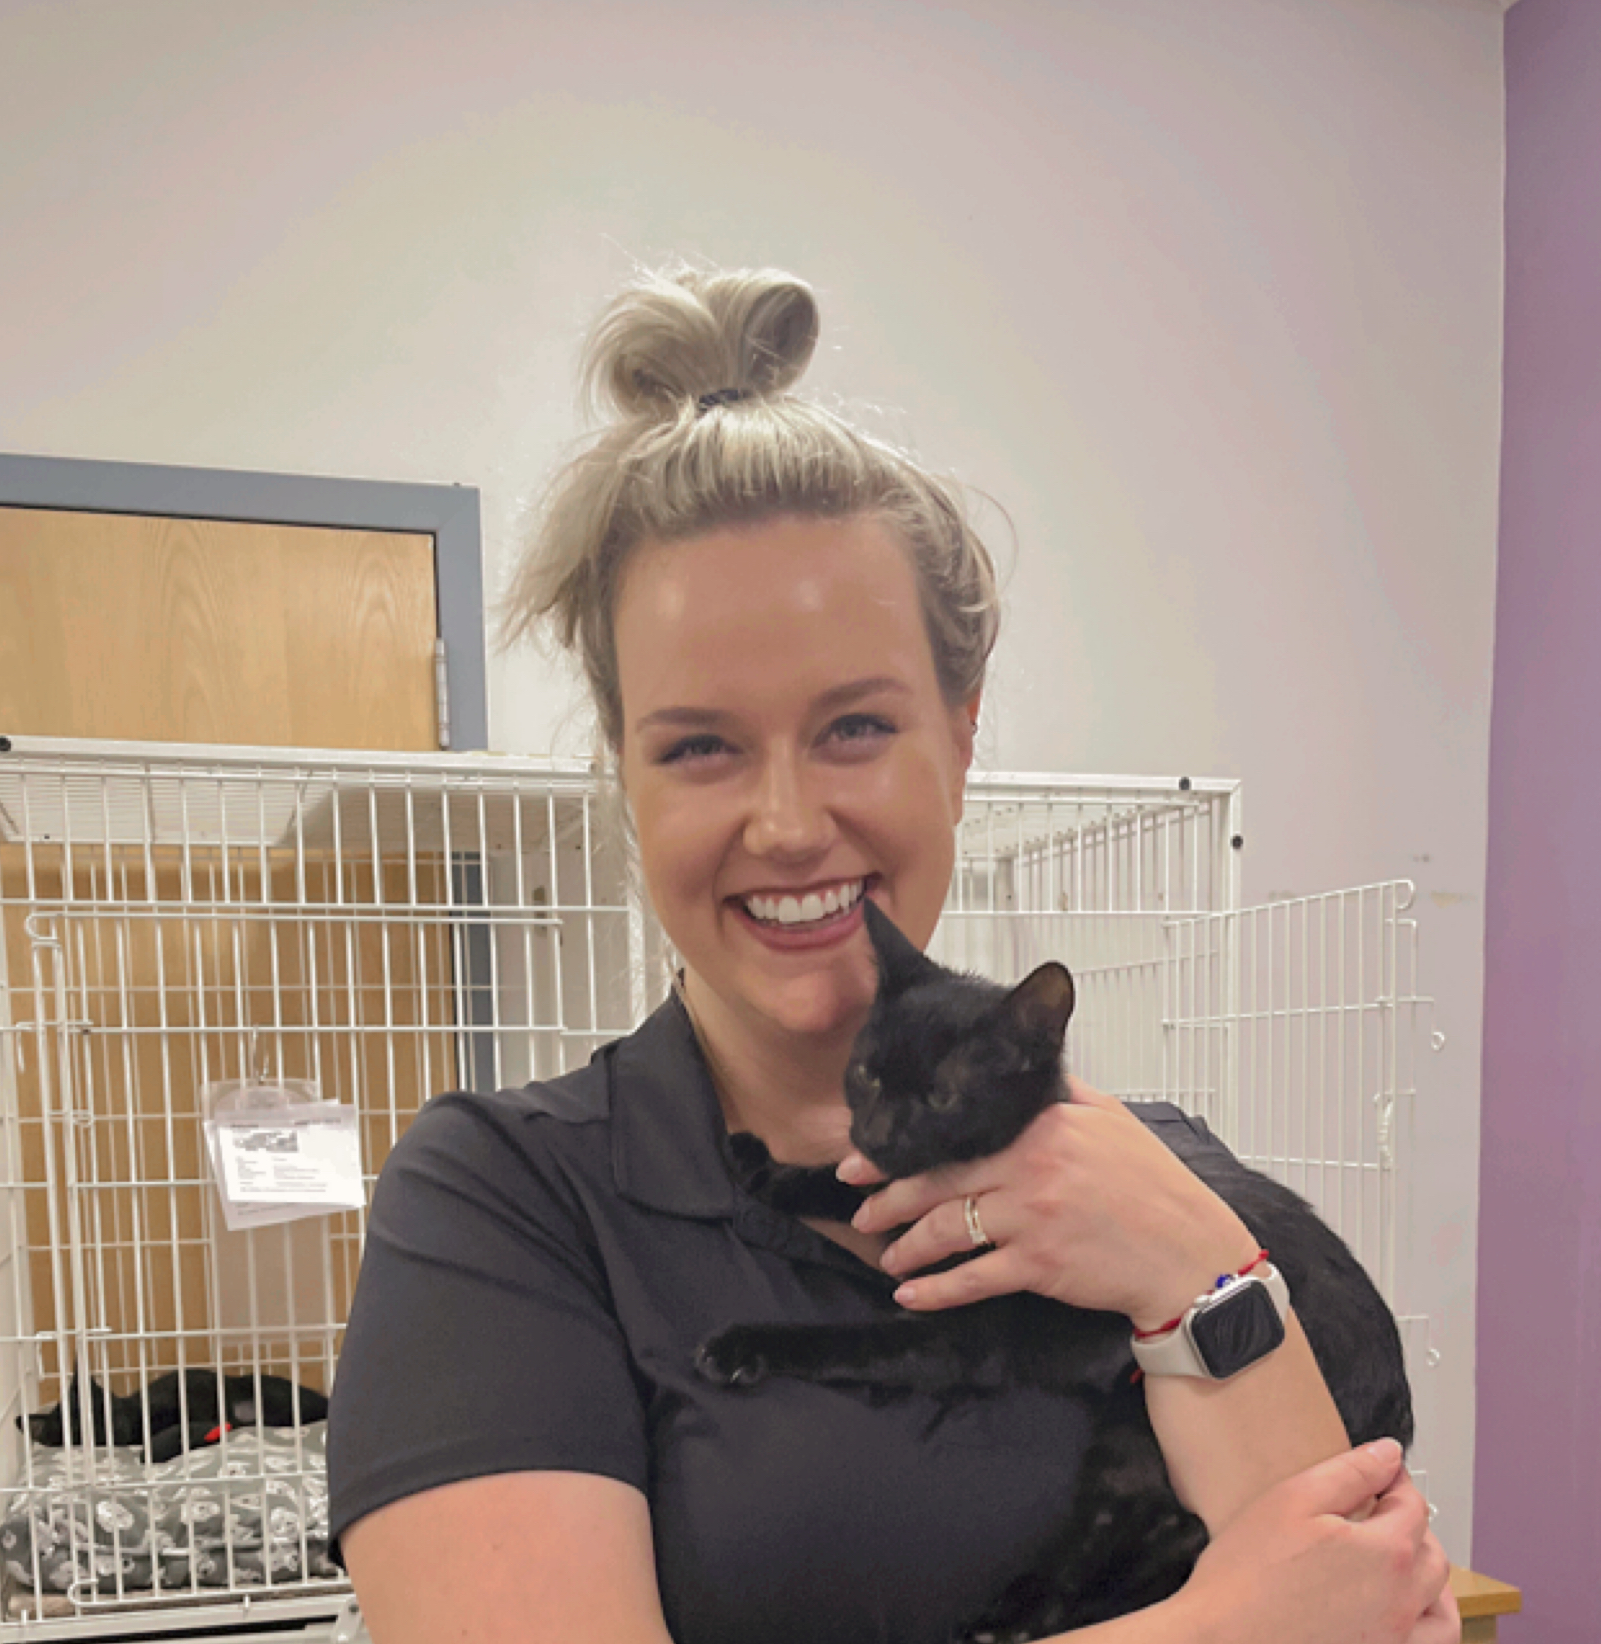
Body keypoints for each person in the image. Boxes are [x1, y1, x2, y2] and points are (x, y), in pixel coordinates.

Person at [325, 266, 1459, 1644]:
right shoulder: (508, 1207)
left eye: (855, 728)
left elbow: (1364, 1610)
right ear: (624, 772)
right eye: (701, 746)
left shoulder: (1159, 1177)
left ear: (961, 737)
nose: (788, 823)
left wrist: (1197, 1266)